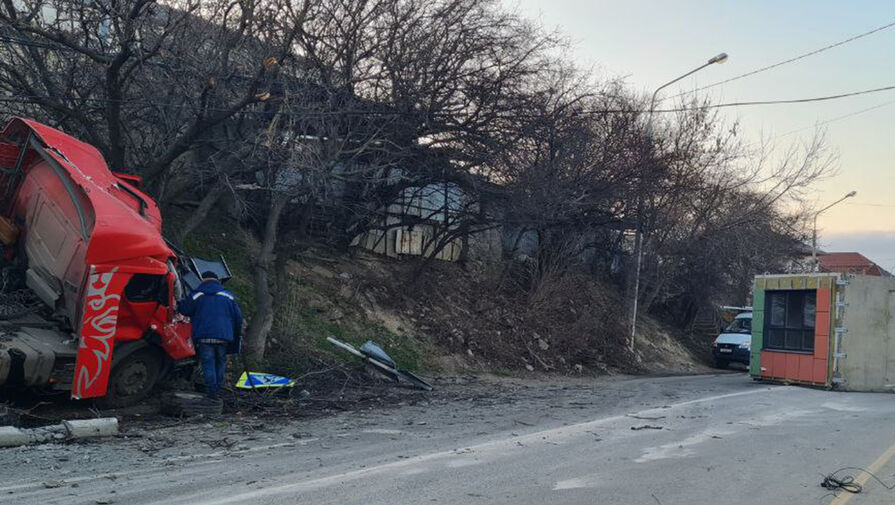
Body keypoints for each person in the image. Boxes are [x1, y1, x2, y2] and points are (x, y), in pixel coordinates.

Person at [178, 270, 243, 399]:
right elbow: (238, 318)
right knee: (220, 362)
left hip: (204, 335)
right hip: (223, 336)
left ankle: (211, 391)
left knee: (208, 363)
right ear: (217, 280)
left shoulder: (197, 294)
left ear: (203, 280)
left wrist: (179, 301)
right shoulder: (228, 296)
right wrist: (236, 335)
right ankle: (217, 390)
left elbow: (184, 309)